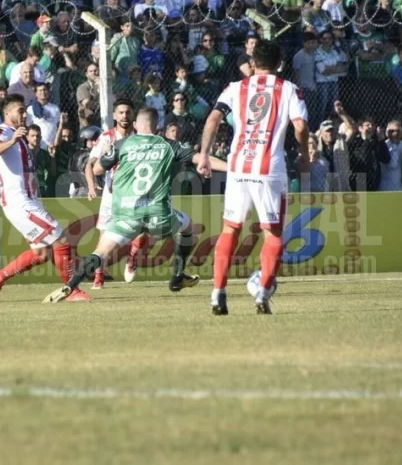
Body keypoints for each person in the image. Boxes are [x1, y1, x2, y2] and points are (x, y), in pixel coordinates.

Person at [43, 107, 228, 304]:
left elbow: (96, 169)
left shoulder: (122, 144)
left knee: (100, 253)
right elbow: (200, 158)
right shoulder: (167, 144)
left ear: (136, 125)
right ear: (156, 126)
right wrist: (232, 168)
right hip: (159, 214)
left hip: (126, 214)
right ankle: (177, 276)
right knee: (188, 227)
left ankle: (71, 286)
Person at [197, 40, 310, 316]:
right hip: (269, 168)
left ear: (253, 62)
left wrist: (204, 155)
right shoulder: (289, 90)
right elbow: (300, 125)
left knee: (230, 229)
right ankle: (262, 292)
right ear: (280, 63)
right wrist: (304, 152)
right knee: (273, 234)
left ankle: (217, 293)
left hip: (238, 167)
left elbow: (212, 120)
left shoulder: (235, 88)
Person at [0, 94, 90, 303]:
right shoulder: (3, 131)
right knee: (61, 239)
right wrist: (12, 139)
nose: (24, 114)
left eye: (25, 111)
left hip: (28, 202)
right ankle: (71, 291)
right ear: (7, 113)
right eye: (19, 111)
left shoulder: (20, 136)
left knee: (42, 253)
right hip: (19, 202)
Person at [84, 98, 149, 290]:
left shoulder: (142, 137)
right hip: (112, 194)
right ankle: (99, 277)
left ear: (133, 115)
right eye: (121, 112)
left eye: (128, 112)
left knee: (143, 232)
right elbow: (90, 163)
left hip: (137, 192)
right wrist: (90, 185)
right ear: (114, 115)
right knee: (104, 237)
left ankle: (132, 258)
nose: (124, 116)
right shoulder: (106, 138)